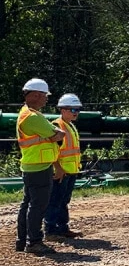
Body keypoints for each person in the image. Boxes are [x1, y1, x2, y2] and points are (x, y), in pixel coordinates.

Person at [14, 78, 64, 254]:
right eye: (45, 95)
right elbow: (57, 134)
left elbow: (53, 134)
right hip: (39, 166)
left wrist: (54, 134)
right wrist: (56, 133)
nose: (46, 99)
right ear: (36, 95)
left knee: (28, 204)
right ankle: (34, 241)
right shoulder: (33, 117)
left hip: (31, 165)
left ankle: (22, 240)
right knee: (38, 205)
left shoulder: (26, 113)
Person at [45, 93, 84, 241]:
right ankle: (50, 231)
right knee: (55, 201)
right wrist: (58, 169)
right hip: (61, 172)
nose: (76, 113)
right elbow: (51, 151)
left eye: (77, 110)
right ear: (63, 110)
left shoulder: (70, 126)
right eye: (73, 109)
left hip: (70, 171)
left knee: (63, 201)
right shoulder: (57, 126)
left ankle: (62, 228)